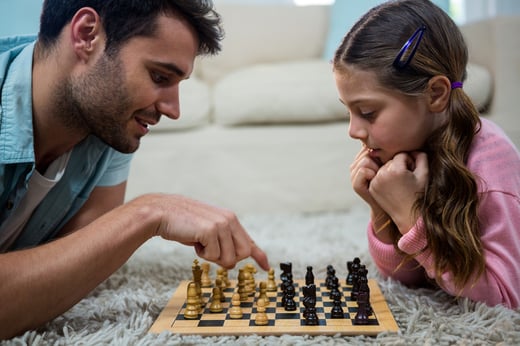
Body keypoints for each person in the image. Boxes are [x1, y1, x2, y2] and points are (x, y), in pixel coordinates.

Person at [0, 0, 270, 339]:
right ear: (86, 35)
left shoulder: (107, 120)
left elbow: (78, 263)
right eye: (159, 76)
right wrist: (146, 212)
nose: (174, 110)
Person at [332, 0, 520, 309]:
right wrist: (381, 211)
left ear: (435, 94)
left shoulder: (490, 171)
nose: (353, 130)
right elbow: (407, 278)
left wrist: (410, 217)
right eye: (349, 112)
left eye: (367, 112)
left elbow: (503, 299)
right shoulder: (406, 150)